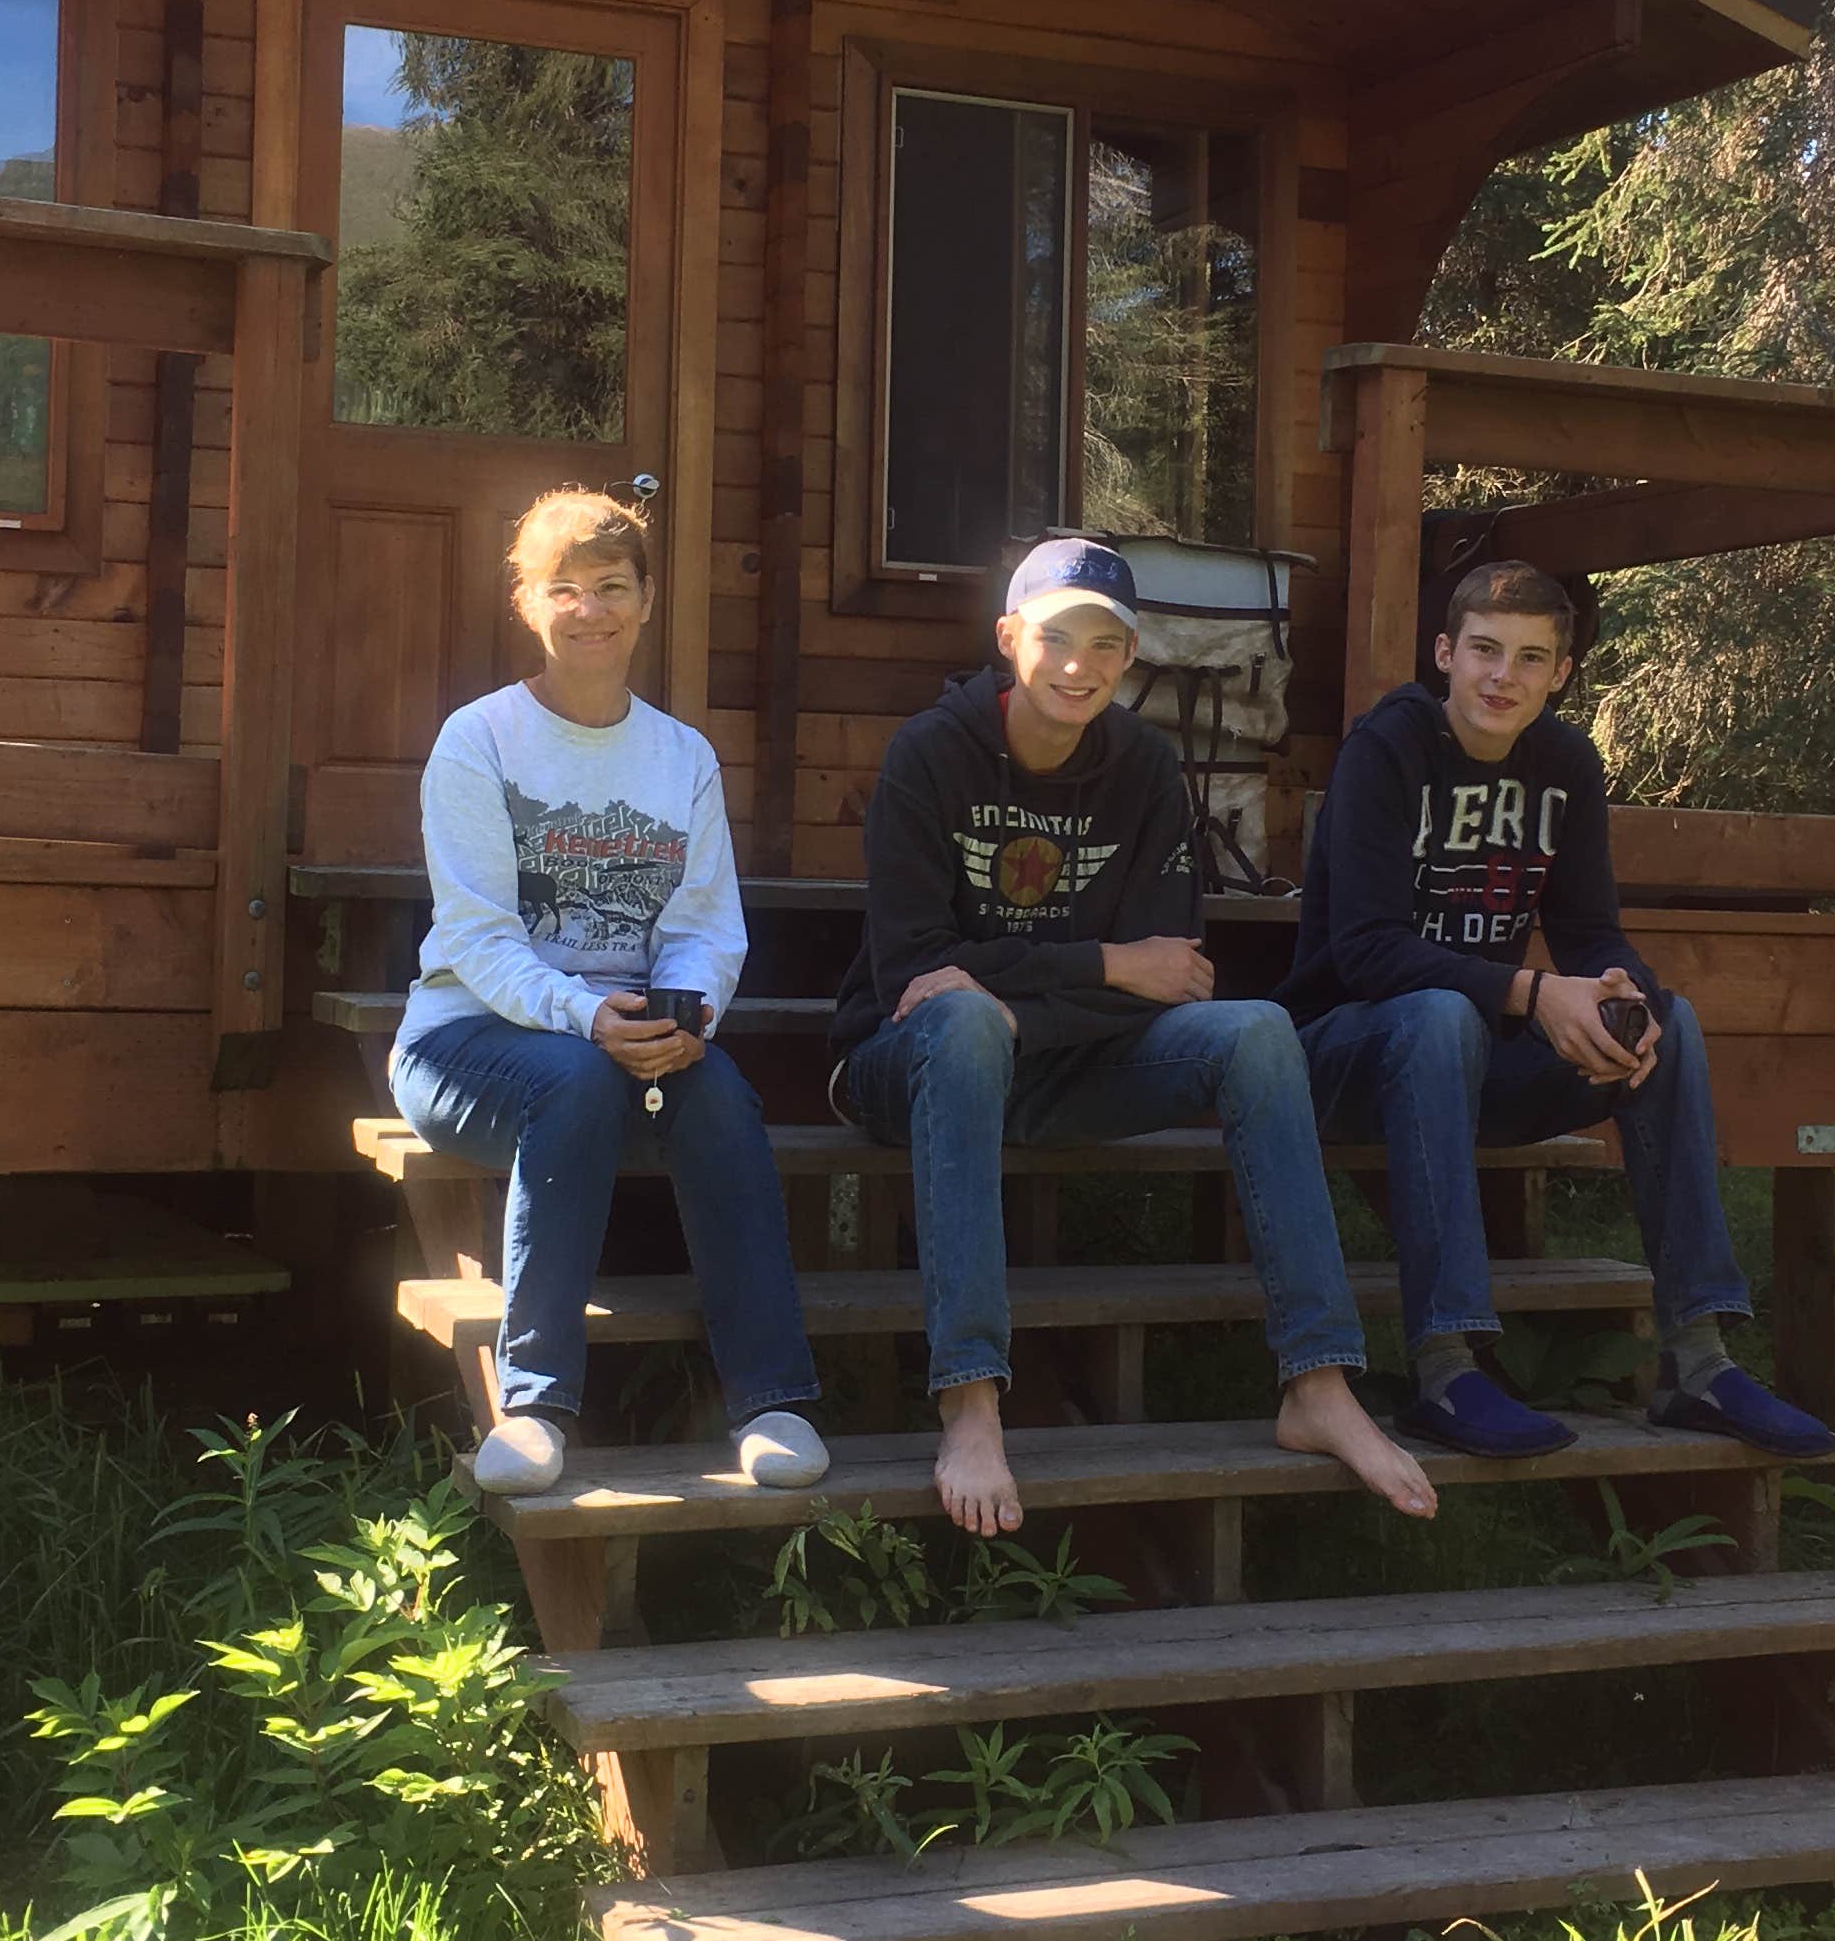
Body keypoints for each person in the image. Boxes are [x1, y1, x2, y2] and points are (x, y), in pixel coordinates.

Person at [832, 535, 1438, 1538]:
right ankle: (971, 1400)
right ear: (1009, 638)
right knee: (963, 1023)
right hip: (904, 1069)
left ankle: (1319, 1383)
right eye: (1058, 637)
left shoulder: (1146, 765)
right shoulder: (928, 754)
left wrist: (1022, 989)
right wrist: (1102, 965)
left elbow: (1176, 975)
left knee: (1254, 1033)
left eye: (1107, 645)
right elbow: (911, 976)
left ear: (1129, 656)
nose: (1080, 665)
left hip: (1065, 1065)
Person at [1278, 557, 1835, 1463]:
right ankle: (1446, 1366)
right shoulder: (1386, 750)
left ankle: (1697, 1361)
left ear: (1561, 672)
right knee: (1437, 1015)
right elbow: (1367, 951)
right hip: (1342, 1061)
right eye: (1486, 652)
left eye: (1531, 658)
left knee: (1674, 1021)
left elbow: (1588, 932)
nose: (1504, 677)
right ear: (1444, 653)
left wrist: (1625, 997)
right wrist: (1534, 994)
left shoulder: (1566, 764)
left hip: (1466, 1065)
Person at [390, 488, 828, 1499]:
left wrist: (685, 1017)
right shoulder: (479, 740)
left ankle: (771, 1400)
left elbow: (707, 925)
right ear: (528, 605)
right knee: (575, 1084)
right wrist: (589, 1016)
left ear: (645, 602)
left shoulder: (682, 755)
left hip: (635, 1053)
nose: (589, 609)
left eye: (611, 588)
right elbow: (476, 937)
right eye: (565, 590)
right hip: (469, 1043)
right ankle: (536, 1406)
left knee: (719, 1092)